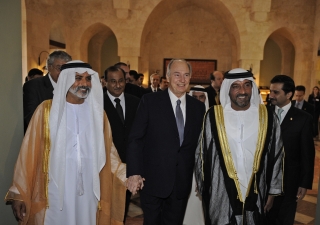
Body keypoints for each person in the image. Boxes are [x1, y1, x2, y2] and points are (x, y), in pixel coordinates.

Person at [5, 61, 126, 225]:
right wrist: (19, 193)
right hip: (55, 188)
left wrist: (126, 175)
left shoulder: (98, 114)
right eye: (78, 78)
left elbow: (108, 152)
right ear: (65, 80)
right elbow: (28, 153)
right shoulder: (46, 111)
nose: (84, 83)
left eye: (88, 78)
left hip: (89, 189)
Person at [195, 68, 284, 225]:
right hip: (221, 190)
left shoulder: (268, 116)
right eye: (236, 86)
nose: (243, 91)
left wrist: (272, 193)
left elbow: (277, 154)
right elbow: (201, 154)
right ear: (228, 89)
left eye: (247, 85)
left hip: (256, 188)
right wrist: (204, 187)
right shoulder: (214, 116)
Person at [126, 59, 205, 225]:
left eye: (186, 75)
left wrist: (201, 176)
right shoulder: (150, 101)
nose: (182, 80)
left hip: (181, 183)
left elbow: (200, 146)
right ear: (168, 77)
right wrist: (134, 173)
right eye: (177, 75)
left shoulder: (198, 108)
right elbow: (136, 139)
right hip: (152, 180)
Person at [268, 75, 315, 225]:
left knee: (284, 218)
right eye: (271, 91)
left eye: (276, 92)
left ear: (289, 94)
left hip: (290, 180)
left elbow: (307, 153)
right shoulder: (263, 113)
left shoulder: (303, 118)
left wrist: (304, 182)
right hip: (265, 179)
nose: (271, 95)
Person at [103, 66, 140, 222]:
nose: (117, 85)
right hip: (105, 165)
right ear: (105, 82)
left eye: (121, 81)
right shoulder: (97, 104)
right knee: (105, 208)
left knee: (122, 208)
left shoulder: (136, 102)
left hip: (129, 166)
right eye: (113, 82)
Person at [23, 50, 72, 133]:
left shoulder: (72, 87)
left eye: (67, 69)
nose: (64, 73)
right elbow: (32, 119)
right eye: (59, 68)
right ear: (49, 67)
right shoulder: (33, 86)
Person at [182, 85, 208, 225]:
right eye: (195, 97)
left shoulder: (213, 117)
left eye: (201, 97)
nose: (198, 100)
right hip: (186, 164)